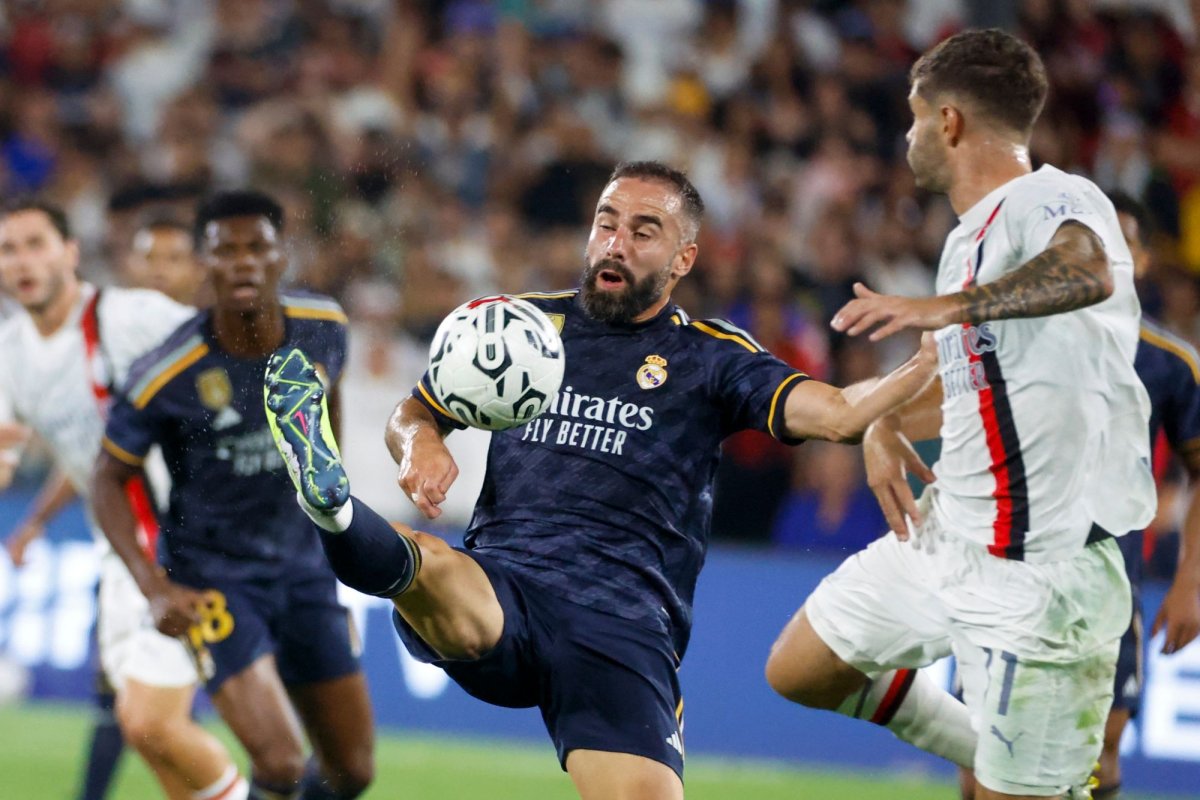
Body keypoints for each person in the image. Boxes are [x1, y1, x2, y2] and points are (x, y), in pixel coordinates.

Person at [262, 160, 938, 800]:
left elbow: (836, 412)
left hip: (621, 625)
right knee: (431, 565)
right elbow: (416, 409)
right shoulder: (524, 327)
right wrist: (420, 444)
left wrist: (914, 371)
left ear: (683, 259)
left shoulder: (711, 359)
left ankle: (339, 516)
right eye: (606, 222)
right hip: (508, 584)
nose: (616, 243)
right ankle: (334, 506)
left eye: (645, 231)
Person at [762, 29, 1156, 800]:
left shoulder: (1054, 196)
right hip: (949, 538)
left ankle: (1027, 776)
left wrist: (943, 307)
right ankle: (1005, 758)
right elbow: (971, 380)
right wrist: (882, 423)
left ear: (948, 122)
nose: (907, 137)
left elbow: (1084, 268)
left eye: (913, 119)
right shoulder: (967, 239)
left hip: (1042, 575)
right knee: (800, 668)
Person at [91, 190, 374, 800]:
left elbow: (329, 401)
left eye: (257, 248)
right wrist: (153, 585)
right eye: (226, 251)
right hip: (215, 579)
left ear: (281, 258)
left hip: (303, 571)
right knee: (277, 762)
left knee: (352, 772)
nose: (243, 262)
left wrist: (333, 519)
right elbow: (106, 478)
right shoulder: (164, 371)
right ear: (204, 265)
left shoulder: (324, 327)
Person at [954, 195, 1200, 800]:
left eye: (1120, 243)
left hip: (1106, 584)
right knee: (976, 752)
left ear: (1140, 259)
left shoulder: (1169, 363)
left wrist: (1191, 581)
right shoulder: (1010, 339)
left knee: (1100, 757)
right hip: (1007, 572)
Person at [0, 200, 248, 800]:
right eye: (8, 249)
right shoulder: (10, 352)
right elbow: (55, 453)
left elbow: (233, 370)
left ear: (70, 252)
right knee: (148, 735)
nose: (22, 261)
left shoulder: (131, 317)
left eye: (36, 243)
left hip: (186, 544)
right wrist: (33, 521)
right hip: (119, 555)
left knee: (148, 719)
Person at [122, 213, 208, 307]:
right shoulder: (109, 317)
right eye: (148, 258)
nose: (159, 271)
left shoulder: (217, 320)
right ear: (128, 264)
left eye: (174, 259)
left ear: (199, 268)